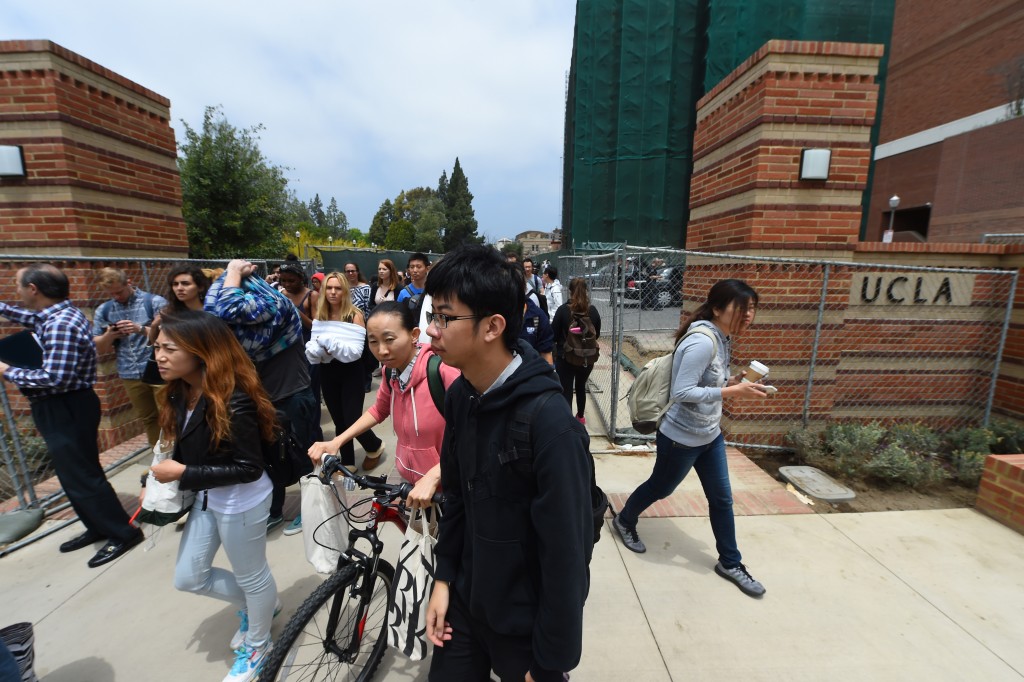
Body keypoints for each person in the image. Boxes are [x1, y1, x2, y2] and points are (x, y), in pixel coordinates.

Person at [423, 244, 594, 681]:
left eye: (445, 318)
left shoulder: (550, 424)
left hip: (524, 624)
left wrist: (549, 661)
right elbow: (457, 496)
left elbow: (566, 555)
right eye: (431, 316)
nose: (431, 332)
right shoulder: (461, 394)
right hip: (466, 602)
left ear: (492, 327)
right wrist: (443, 579)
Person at [610, 279, 769, 598]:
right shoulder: (701, 341)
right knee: (661, 487)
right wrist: (731, 390)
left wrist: (735, 379)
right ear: (717, 309)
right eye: (742, 308)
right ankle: (625, 521)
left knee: (722, 499)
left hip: (709, 435)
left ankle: (730, 562)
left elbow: (708, 380)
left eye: (752, 308)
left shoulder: (723, 337)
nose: (749, 315)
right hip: (681, 438)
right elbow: (682, 392)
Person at [150, 310, 280, 682]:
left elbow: (248, 467)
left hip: (242, 500)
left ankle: (258, 643)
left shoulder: (233, 397)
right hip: (208, 498)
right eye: (157, 347)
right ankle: (260, 605)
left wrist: (184, 474)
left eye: (169, 349)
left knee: (252, 575)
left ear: (199, 350)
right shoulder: (180, 391)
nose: (159, 356)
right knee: (189, 577)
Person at [0, 264, 143, 568]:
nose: (16, 292)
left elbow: (56, 378)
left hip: (65, 405)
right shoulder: (56, 315)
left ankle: (123, 532)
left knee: (83, 476)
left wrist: (6, 371)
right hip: (64, 406)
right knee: (73, 475)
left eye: (18, 286)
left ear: (33, 289)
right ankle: (97, 526)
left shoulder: (60, 324)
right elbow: (28, 317)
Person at [307, 301, 460, 506]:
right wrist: (337, 441)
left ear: (414, 334)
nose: (382, 351)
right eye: (373, 342)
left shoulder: (442, 372)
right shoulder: (391, 372)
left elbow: (473, 433)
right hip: (412, 483)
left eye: (389, 339)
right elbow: (379, 409)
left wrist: (434, 475)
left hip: (447, 486)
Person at [205, 260, 319, 532]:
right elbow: (213, 318)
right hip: (263, 398)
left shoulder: (275, 306)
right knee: (271, 459)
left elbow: (225, 311)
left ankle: (312, 510)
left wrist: (232, 272)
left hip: (293, 394)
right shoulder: (245, 324)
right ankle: (275, 510)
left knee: (305, 457)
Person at [306, 272, 385, 472]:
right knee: (338, 418)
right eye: (329, 288)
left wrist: (329, 347)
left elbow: (356, 352)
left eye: (338, 288)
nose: (333, 292)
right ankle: (348, 461)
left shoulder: (354, 315)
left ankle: (374, 445)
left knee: (351, 418)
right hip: (327, 371)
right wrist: (320, 350)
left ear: (345, 291)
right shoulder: (321, 316)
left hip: (351, 372)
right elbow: (316, 346)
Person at [92, 267, 169, 448]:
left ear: (129, 283)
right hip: (129, 373)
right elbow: (99, 347)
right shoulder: (104, 310)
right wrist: (110, 335)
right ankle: (158, 459)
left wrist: (139, 329)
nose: (116, 297)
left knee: (169, 415)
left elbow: (171, 336)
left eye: (119, 291)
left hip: (159, 369)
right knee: (149, 418)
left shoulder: (154, 302)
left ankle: (178, 457)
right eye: (111, 294)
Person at [551, 277, 602, 424]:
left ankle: (567, 422)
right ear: (586, 291)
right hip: (587, 357)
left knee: (566, 389)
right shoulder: (592, 311)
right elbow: (596, 334)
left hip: (566, 357)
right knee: (581, 386)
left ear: (569, 291)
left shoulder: (562, 311)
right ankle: (580, 417)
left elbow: (553, 334)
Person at [147, 263, 212, 345]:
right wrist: (154, 326)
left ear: (200, 287)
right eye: (175, 284)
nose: (179, 288)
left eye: (185, 284)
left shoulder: (211, 312)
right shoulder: (169, 313)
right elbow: (156, 344)